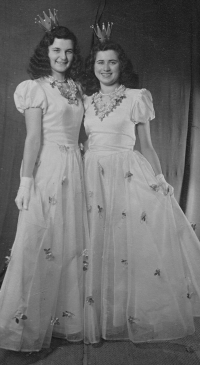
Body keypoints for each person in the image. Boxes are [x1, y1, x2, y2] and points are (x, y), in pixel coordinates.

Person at [82, 37, 200, 344]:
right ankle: (94, 317)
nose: (106, 68)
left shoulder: (137, 97)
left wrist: (159, 179)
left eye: (112, 62)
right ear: (92, 66)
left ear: (121, 66)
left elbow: (145, 145)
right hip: (91, 173)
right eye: (100, 62)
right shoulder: (84, 100)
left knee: (125, 244)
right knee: (95, 241)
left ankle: (120, 317)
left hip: (126, 173)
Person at [0, 15, 88, 351]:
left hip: (74, 167)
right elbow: (33, 139)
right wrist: (26, 181)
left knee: (68, 243)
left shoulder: (77, 88)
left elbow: (78, 131)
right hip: (47, 164)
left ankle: (62, 320)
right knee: (39, 240)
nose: (62, 57)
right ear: (46, 52)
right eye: (56, 50)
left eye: (67, 52)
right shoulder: (34, 88)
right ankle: (25, 327)